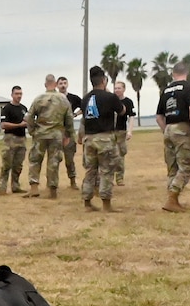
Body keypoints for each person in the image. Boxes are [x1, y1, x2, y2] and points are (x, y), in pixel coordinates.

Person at [155, 61, 190, 212]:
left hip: (168, 128)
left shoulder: (166, 90)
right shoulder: (189, 88)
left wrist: (166, 130)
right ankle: (172, 198)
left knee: (172, 167)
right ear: (186, 73)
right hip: (182, 127)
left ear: (173, 74)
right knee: (186, 165)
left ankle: (172, 200)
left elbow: (159, 116)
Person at [79, 66, 124, 212]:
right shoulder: (109, 97)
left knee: (90, 171)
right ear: (104, 80)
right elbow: (122, 110)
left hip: (89, 139)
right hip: (104, 138)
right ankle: (106, 203)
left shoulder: (85, 99)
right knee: (106, 171)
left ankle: (87, 202)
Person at [25, 74, 74, 199]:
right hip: (56, 135)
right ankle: (52, 189)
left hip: (40, 134)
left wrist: (32, 131)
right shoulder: (63, 99)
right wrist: (68, 134)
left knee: (35, 160)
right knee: (54, 161)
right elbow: (69, 118)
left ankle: (34, 187)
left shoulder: (39, 99)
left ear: (45, 84)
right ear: (56, 84)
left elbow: (29, 117)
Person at [0, 86, 28, 195]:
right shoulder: (7, 108)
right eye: (16, 94)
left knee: (18, 165)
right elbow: (3, 125)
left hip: (22, 139)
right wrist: (19, 125)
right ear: (12, 95)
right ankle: (2, 187)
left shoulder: (23, 108)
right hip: (10, 139)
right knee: (7, 165)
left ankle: (15, 186)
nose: (19, 96)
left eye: (20, 93)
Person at [56, 76, 81, 190]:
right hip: (56, 132)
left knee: (69, 159)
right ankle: (52, 184)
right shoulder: (54, 98)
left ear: (67, 84)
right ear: (57, 85)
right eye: (60, 83)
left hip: (69, 132)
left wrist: (75, 114)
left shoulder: (73, 98)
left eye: (65, 83)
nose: (63, 85)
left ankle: (72, 181)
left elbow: (84, 106)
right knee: (54, 159)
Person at [112, 81, 135, 187]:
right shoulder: (110, 100)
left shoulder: (128, 102)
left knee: (121, 155)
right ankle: (109, 178)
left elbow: (131, 117)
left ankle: (120, 178)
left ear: (124, 89)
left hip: (121, 131)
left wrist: (130, 131)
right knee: (110, 155)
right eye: (115, 88)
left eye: (119, 88)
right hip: (110, 131)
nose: (117, 90)